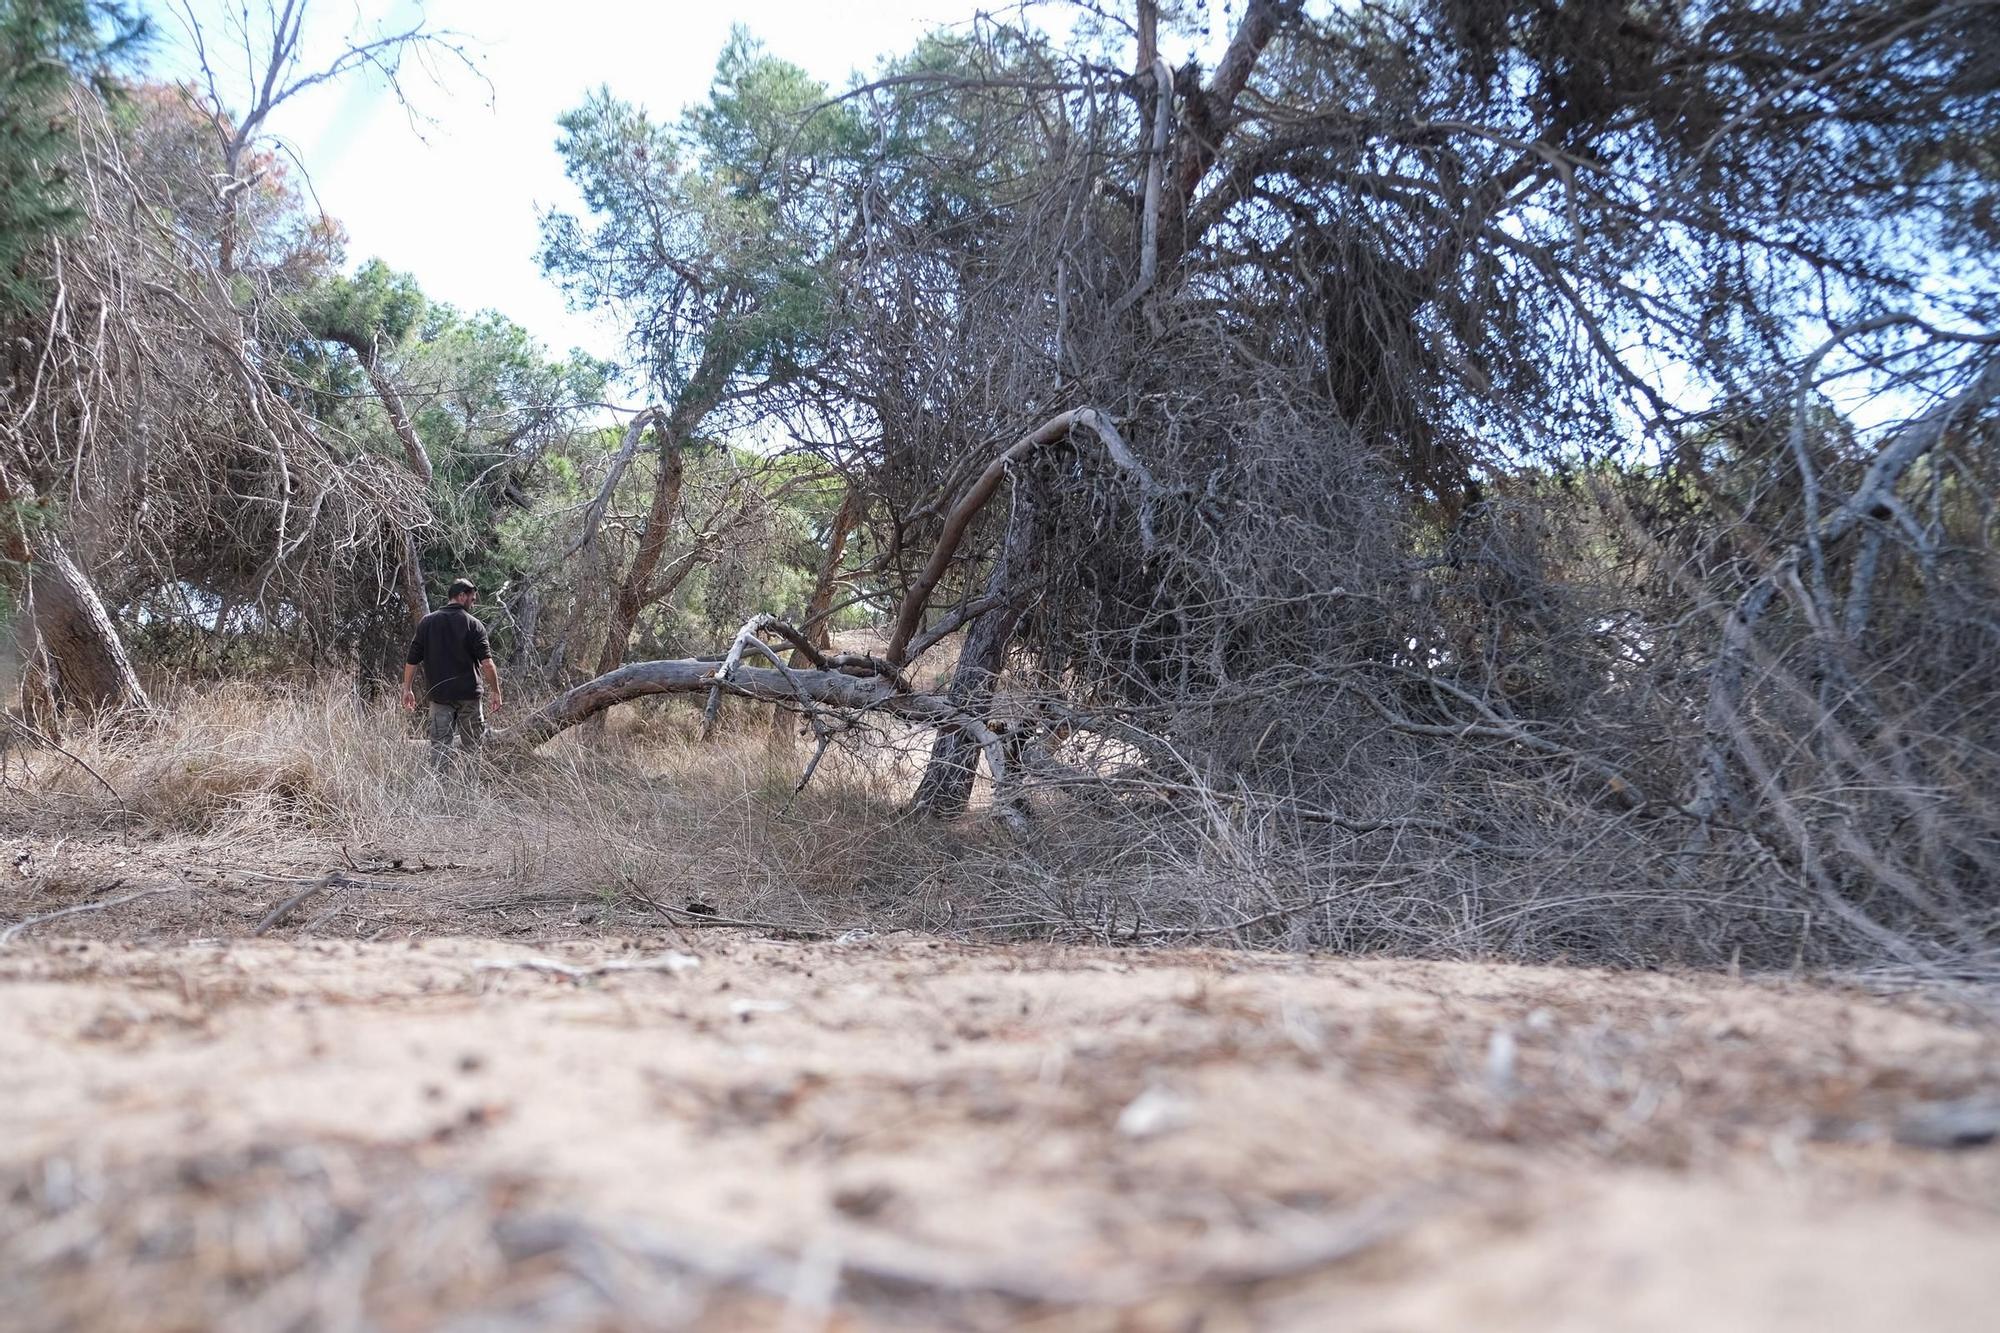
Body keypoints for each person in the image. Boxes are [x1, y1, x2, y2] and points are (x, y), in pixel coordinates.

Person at [402, 578, 503, 773]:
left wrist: (407, 688)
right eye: (472, 599)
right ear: (461, 596)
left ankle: (441, 796)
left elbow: (412, 660)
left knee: (439, 748)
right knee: (473, 748)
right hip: (470, 697)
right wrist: (496, 692)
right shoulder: (474, 625)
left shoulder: (427, 622)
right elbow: (488, 664)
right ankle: (470, 794)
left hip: (440, 697)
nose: (472, 604)